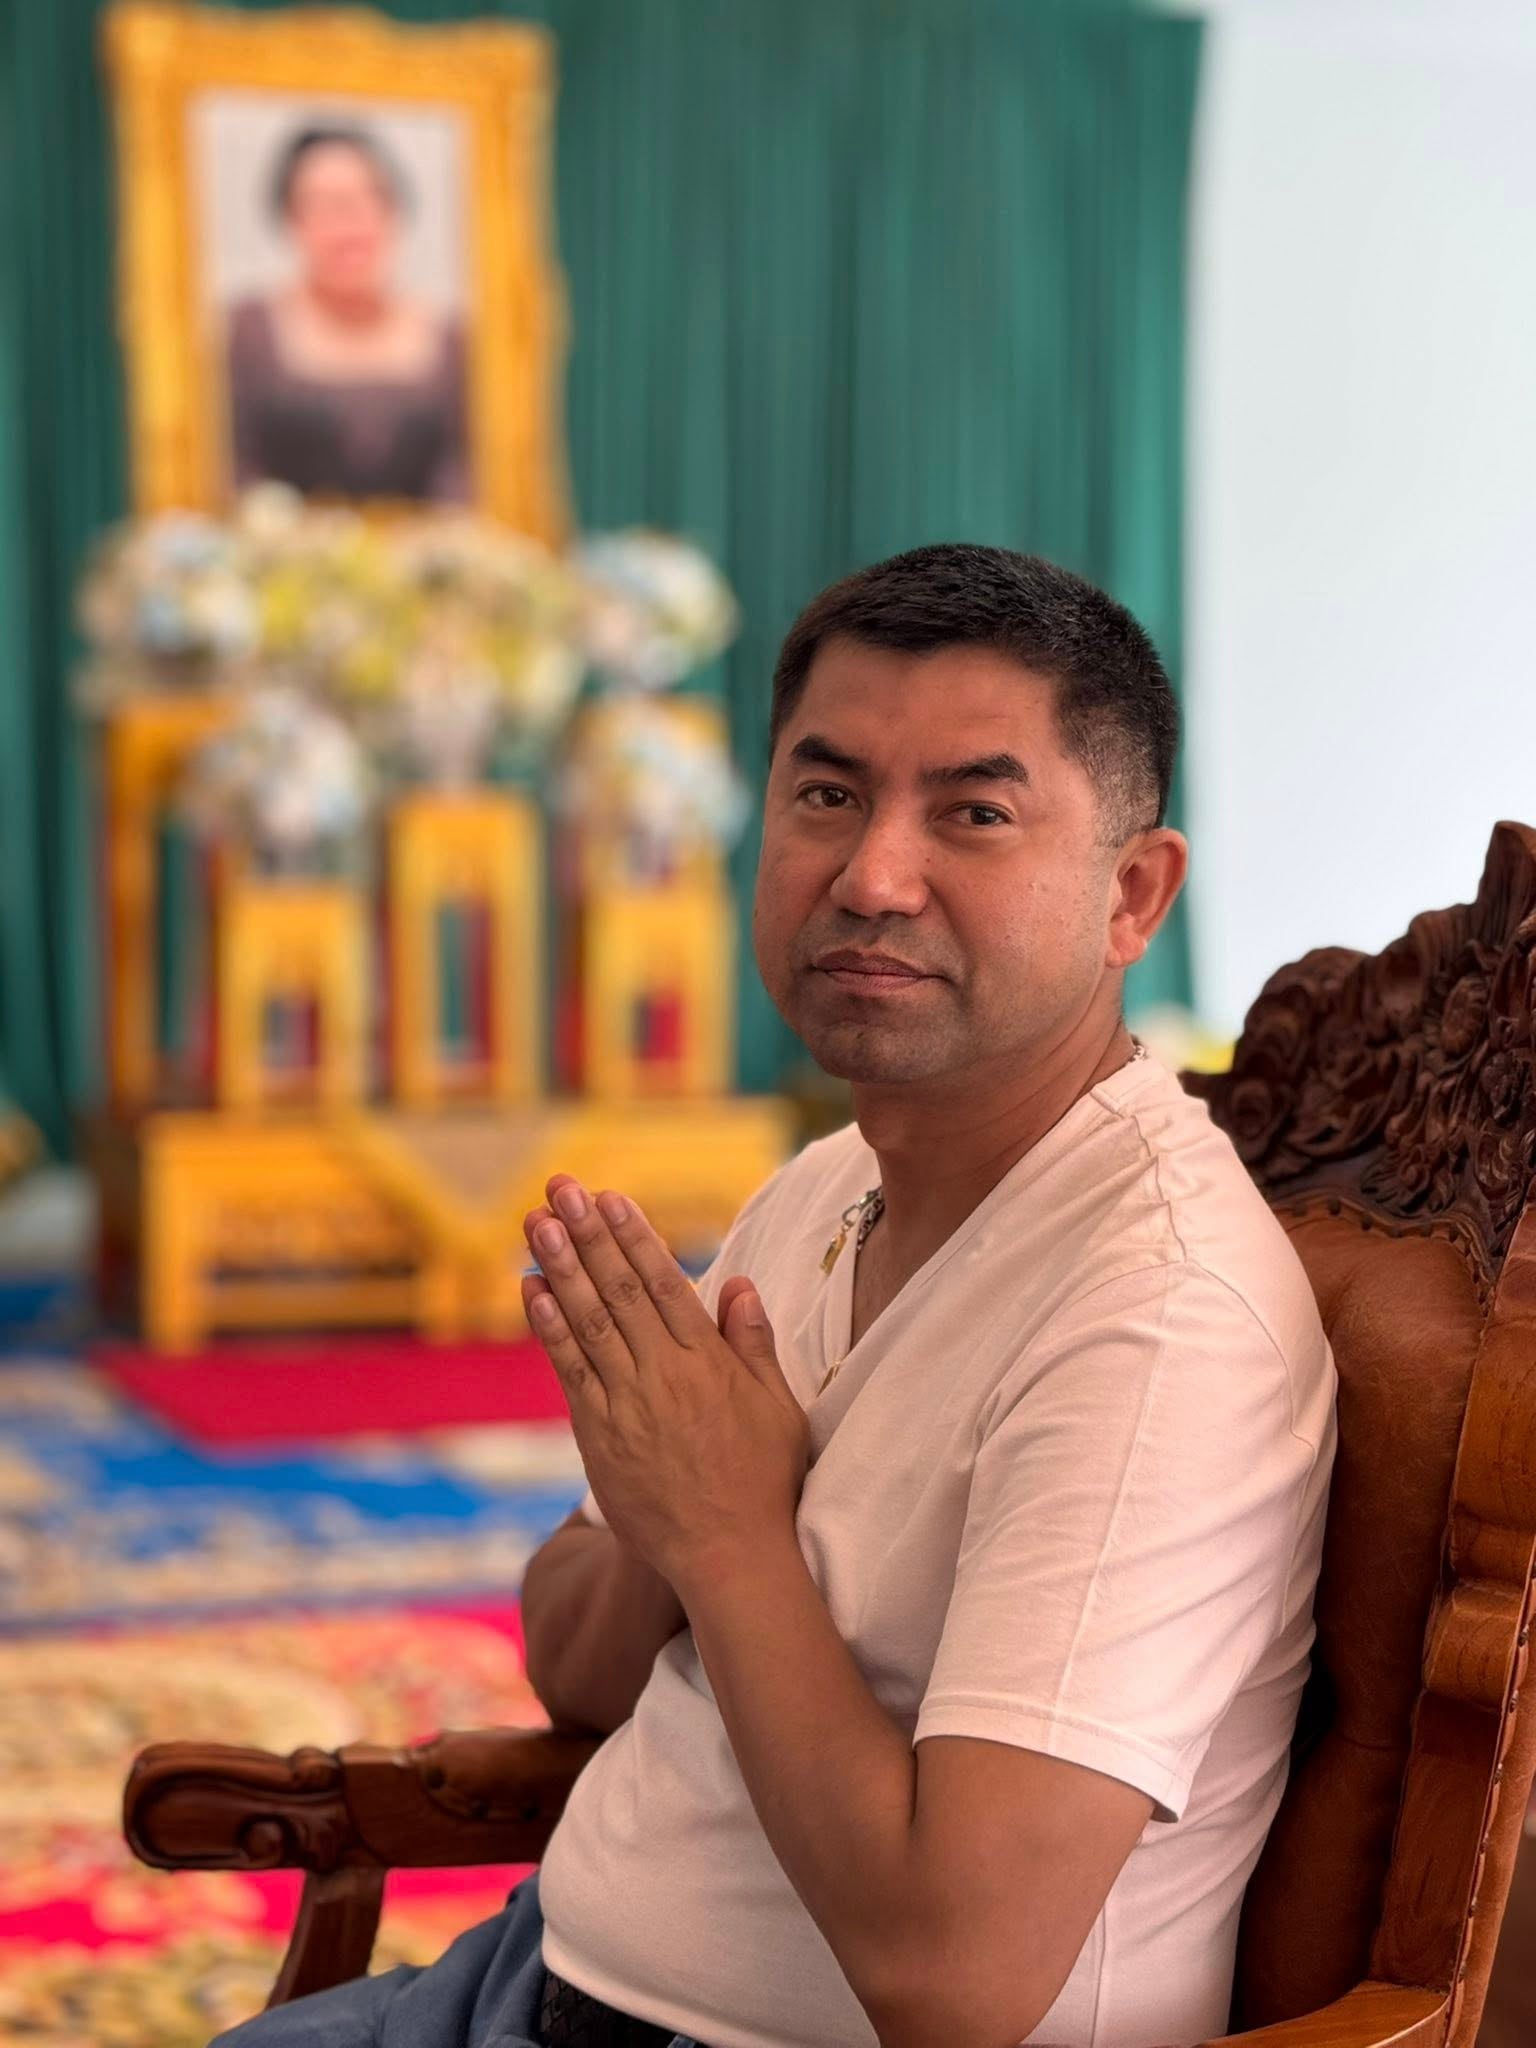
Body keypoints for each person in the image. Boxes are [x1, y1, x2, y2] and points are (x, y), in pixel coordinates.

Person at [213, 545, 1336, 2048]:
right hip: (530, 1975)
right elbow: (578, 1664)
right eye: (826, 794)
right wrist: (667, 1515)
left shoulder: (1158, 1318)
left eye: (974, 813)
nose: (871, 877)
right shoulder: (822, 1185)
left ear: (1133, 895)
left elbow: (954, 1981)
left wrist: (732, 1536)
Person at [225, 124, 470, 503]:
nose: (347, 225)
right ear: (291, 221)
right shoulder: (249, 334)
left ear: (393, 211)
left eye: (363, 200)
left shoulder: (451, 338)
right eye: (322, 205)